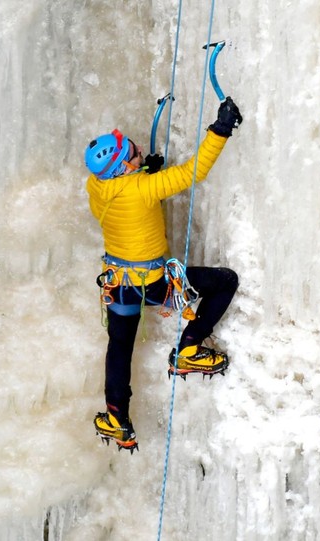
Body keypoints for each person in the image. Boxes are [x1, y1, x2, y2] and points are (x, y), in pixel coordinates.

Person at [84, 97, 242, 452]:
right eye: (134, 152)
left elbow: (125, 193)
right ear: (124, 168)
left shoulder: (96, 188)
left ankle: (116, 417)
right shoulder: (142, 188)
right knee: (225, 281)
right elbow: (193, 173)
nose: (139, 149)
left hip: (118, 286)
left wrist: (145, 171)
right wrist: (220, 131)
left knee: (120, 346)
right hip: (153, 284)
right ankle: (188, 348)